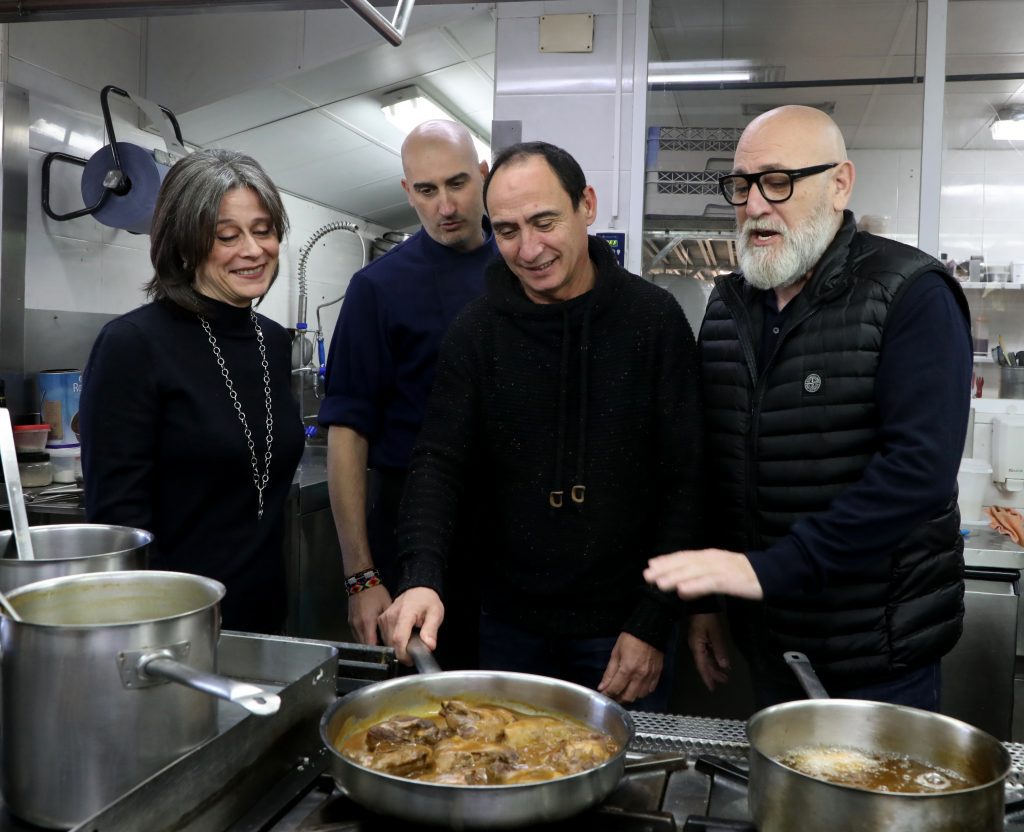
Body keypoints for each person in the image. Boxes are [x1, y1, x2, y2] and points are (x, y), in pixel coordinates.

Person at [644, 105, 972, 711]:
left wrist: (772, 569)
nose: (755, 205)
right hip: (767, 645)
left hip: (878, 651)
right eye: (741, 186)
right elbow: (715, 464)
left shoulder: (911, 294)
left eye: (778, 181)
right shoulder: (728, 309)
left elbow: (917, 474)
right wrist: (708, 604)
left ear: (840, 183)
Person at [379, 141, 705, 708]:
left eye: (544, 222)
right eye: (506, 230)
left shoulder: (652, 320)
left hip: (623, 628)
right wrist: (421, 575)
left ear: (587, 206)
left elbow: (689, 479)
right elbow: (438, 464)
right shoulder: (477, 330)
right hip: (509, 627)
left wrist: (654, 622)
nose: (529, 249)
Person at [80, 148, 304, 634]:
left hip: (264, 619)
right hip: (171, 629)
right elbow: (118, 528)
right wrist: (165, 627)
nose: (252, 250)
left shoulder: (274, 340)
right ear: (184, 246)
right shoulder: (132, 345)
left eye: (263, 230)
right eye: (227, 236)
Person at [318, 120, 496, 650]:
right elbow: (348, 434)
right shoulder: (378, 288)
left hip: (511, 533)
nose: (446, 206)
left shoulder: (520, 268)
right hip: (410, 525)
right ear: (406, 192)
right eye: (426, 190)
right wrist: (361, 577)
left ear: (484, 175)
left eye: (458, 183)